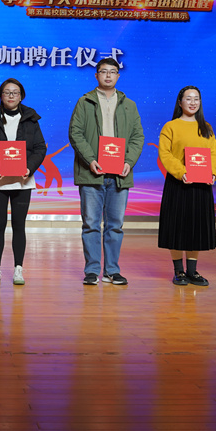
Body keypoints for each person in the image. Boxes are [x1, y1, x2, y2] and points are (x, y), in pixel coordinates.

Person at [69, 57, 144, 286]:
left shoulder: (129, 105)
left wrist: (129, 161)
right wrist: (90, 160)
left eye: (112, 71)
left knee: (115, 225)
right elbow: (75, 133)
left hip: (119, 175)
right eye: (104, 71)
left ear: (118, 76)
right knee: (91, 224)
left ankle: (112, 270)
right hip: (92, 173)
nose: (108, 75)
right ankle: (92, 271)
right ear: (96, 75)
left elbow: (138, 137)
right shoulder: (85, 102)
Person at [0, 78, 47, 285]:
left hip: (23, 181)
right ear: (1, 96)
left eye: (15, 92)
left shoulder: (31, 120)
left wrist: (29, 168)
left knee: (19, 225)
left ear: (21, 96)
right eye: (7, 92)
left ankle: (18, 269)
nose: (11, 96)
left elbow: (39, 148)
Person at [157, 86, 216, 286]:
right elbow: (165, 154)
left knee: (196, 228)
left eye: (196, 99)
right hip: (178, 183)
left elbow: (214, 153)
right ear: (180, 102)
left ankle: (192, 271)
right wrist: (182, 172)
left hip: (202, 185)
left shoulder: (206, 127)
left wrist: (212, 173)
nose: (193, 102)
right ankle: (179, 271)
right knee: (177, 227)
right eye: (188, 98)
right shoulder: (170, 126)